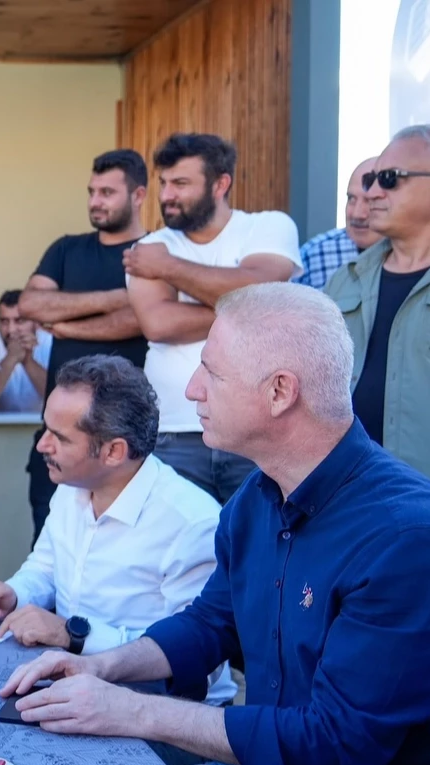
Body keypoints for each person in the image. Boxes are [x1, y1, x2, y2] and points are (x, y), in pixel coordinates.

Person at [1, 283, 430, 765]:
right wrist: (99, 666)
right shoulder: (256, 498)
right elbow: (211, 623)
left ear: (280, 392)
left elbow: (334, 743)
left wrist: (131, 709)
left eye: (211, 372)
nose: (193, 390)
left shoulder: (411, 540)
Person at [0, 355, 233, 706]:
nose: (42, 445)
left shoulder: (192, 523)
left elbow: (198, 658)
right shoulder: (72, 487)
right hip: (72, 686)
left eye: (59, 437)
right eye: (45, 428)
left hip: (165, 712)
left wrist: (73, 636)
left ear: (113, 452)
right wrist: (14, 595)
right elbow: (45, 568)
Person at [327, 124, 430, 562]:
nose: (372, 192)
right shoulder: (346, 280)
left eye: (389, 178)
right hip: (347, 518)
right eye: (369, 179)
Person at [124, 133, 301, 504]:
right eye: (163, 183)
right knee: (180, 540)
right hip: (173, 432)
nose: (167, 195)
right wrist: (253, 308)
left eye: (180, 183)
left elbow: (261, 287)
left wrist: (167, 267)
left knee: (262, 535)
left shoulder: (268, 227)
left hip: (257, 430)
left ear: (221, 184)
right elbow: (158, 324)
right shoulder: (150, 247)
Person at [19, 150, 150, 540]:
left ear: (139, 195)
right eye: (92, 192)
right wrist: (119, 298)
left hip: (129, 442)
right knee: (51, 548)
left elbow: (144, 320)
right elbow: (32, 304)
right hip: (58, 439)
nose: (95, 201)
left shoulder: (154, 253)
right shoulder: (66, 250)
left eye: (107, 192)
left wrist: (66, 324)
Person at [296, 157, 382, 290]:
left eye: (369, 201)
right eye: (351, 199)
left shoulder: (413, 256)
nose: (357, 214)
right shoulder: (315, 254)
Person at [0, 289, 52, 414]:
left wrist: (28, 361)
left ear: (35, 322)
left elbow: (57, 397)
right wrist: (11, 358)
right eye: (4, 321)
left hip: (43, 423)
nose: (11, 330)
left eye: (19, 321)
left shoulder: (50, 344)